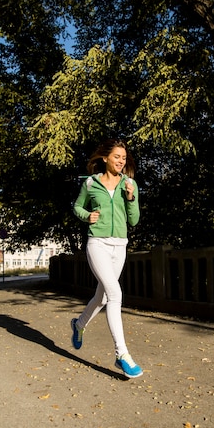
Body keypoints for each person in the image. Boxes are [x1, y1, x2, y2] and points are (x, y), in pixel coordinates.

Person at [71, 138, 143, 379]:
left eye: (124, 158)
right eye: (117, 157)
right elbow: (77, 207)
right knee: (115, 294)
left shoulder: (130, 184)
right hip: (97, 243)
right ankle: (122, 354)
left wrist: (131, 198)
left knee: (102, 297)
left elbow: (133, 221)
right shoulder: (91, 184)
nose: (121, 161)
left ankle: (79, 325)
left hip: (119, 245)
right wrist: (87, 216)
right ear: (105, 158)